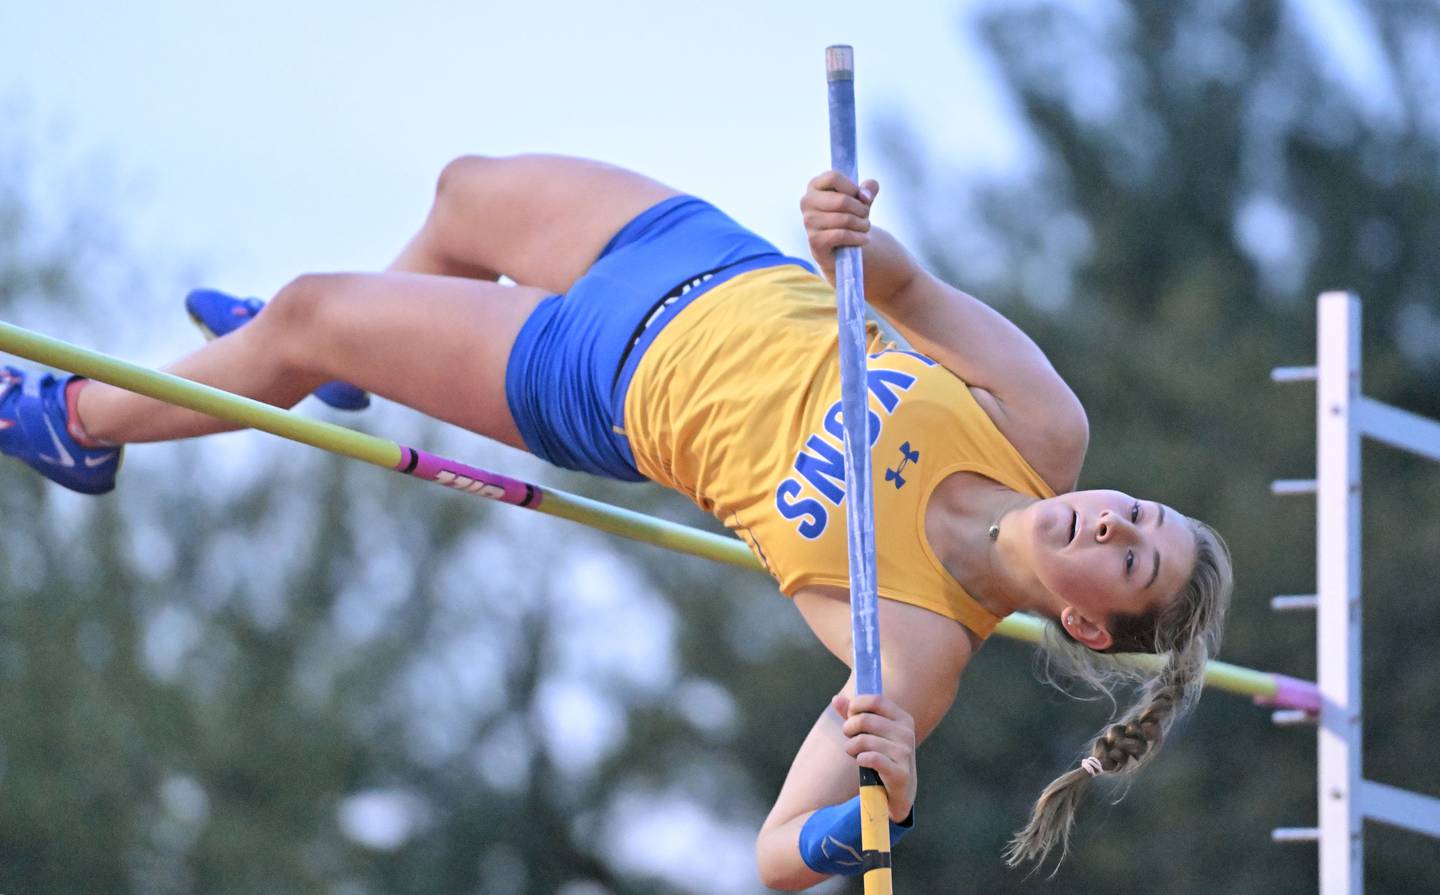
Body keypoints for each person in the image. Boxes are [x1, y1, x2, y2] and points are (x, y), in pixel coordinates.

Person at [0, 154, 1232, 888]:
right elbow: (905, 287)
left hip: (600, 377)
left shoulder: (913, 643)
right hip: (704, 256)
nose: (1113, 518)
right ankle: (328, 363)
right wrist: (849, 228)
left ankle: (79, 426)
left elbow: (774, 852)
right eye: (1144, 512)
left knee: (315, 307)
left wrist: (872, 814)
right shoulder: (1044, 425)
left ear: (1084, 615)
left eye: (1130, 557)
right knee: (464, 194)